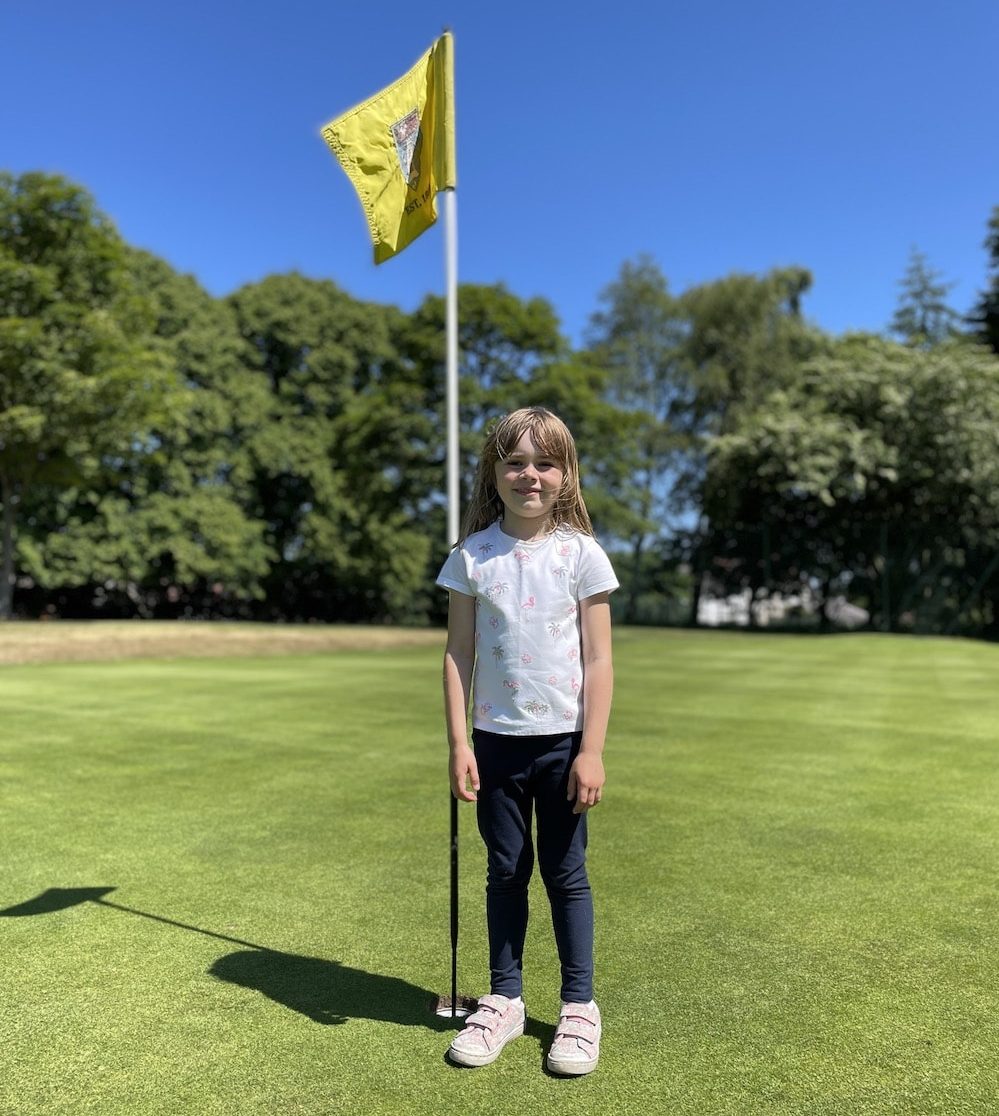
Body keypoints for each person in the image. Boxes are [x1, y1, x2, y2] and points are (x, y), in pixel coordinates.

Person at [436, 406, 618, 1075]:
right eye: (515, 462)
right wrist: (459, 743)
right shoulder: (471, 556)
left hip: (564, 744)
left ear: (566, 474)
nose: (529, 475)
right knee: (506, 872)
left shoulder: (581, 554)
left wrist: (591, 750)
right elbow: (457, 654)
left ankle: (578, 1007)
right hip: (496, 742)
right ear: (495, 472)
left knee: (565, 875)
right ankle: (505, 999)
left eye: (545, 463)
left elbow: (599, 658)